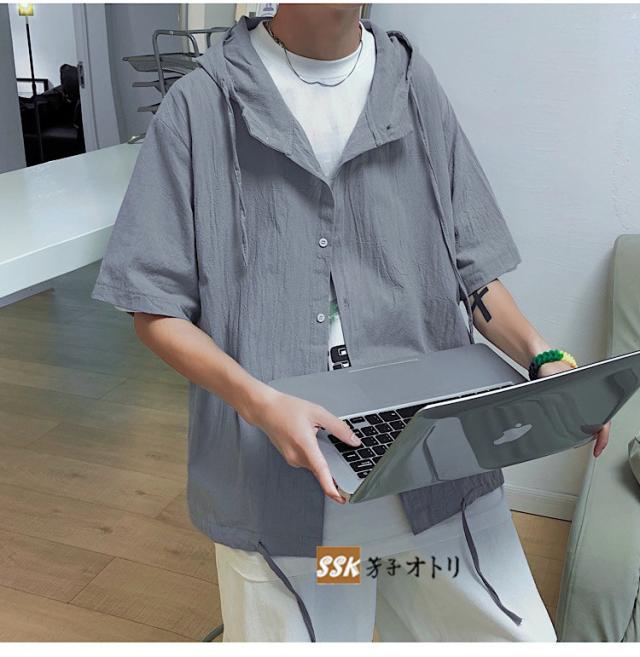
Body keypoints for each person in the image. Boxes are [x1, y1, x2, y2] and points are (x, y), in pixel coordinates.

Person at [92, 4, 609, 642]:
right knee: (332, 610)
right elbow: (155, 308)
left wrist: (541, 357)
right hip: (288, 485)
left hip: (437, 464)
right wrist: (260, 403)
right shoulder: (200, 105)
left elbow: (472, 266)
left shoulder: (412, 86)